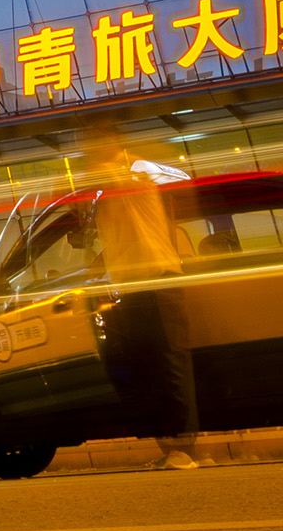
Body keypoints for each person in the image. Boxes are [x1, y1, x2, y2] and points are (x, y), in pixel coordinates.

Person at [82, 126, 200, 470]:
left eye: (90, 140)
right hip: (132, 283)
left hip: (157, 278)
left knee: (170, 362)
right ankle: (171, 446)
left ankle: (185, 447)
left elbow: (103, 179)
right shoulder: (106, 185)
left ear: (111, 140)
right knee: (149, 364)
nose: (85, 148)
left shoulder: (134, 170)